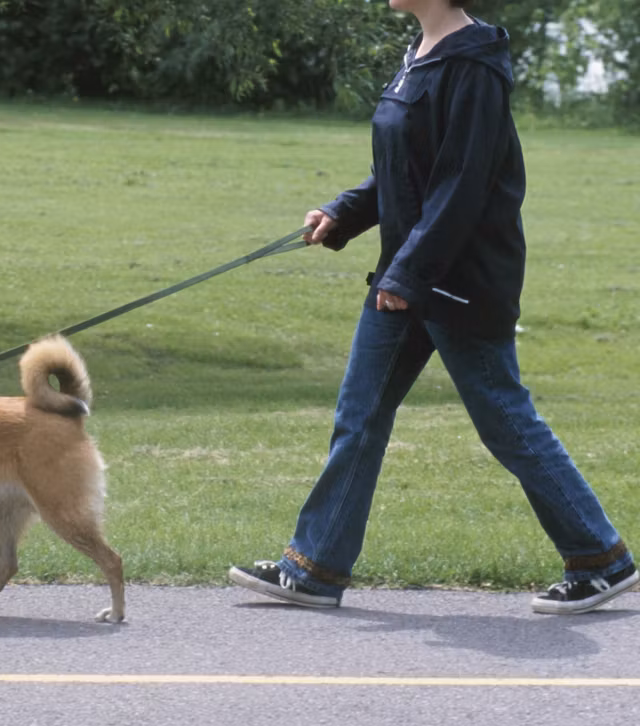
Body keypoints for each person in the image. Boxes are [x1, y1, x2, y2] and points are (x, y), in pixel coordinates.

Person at [229, 0, 637, 614]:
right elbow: (405, 168)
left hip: (458, 280)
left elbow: (461, 182)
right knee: (360, 414)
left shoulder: (474, 66)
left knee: (505, 421)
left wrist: (411, 274)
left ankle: (600, 558)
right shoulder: (421, 57)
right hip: (409, 274)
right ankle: (314, 568)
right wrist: (343, 213)